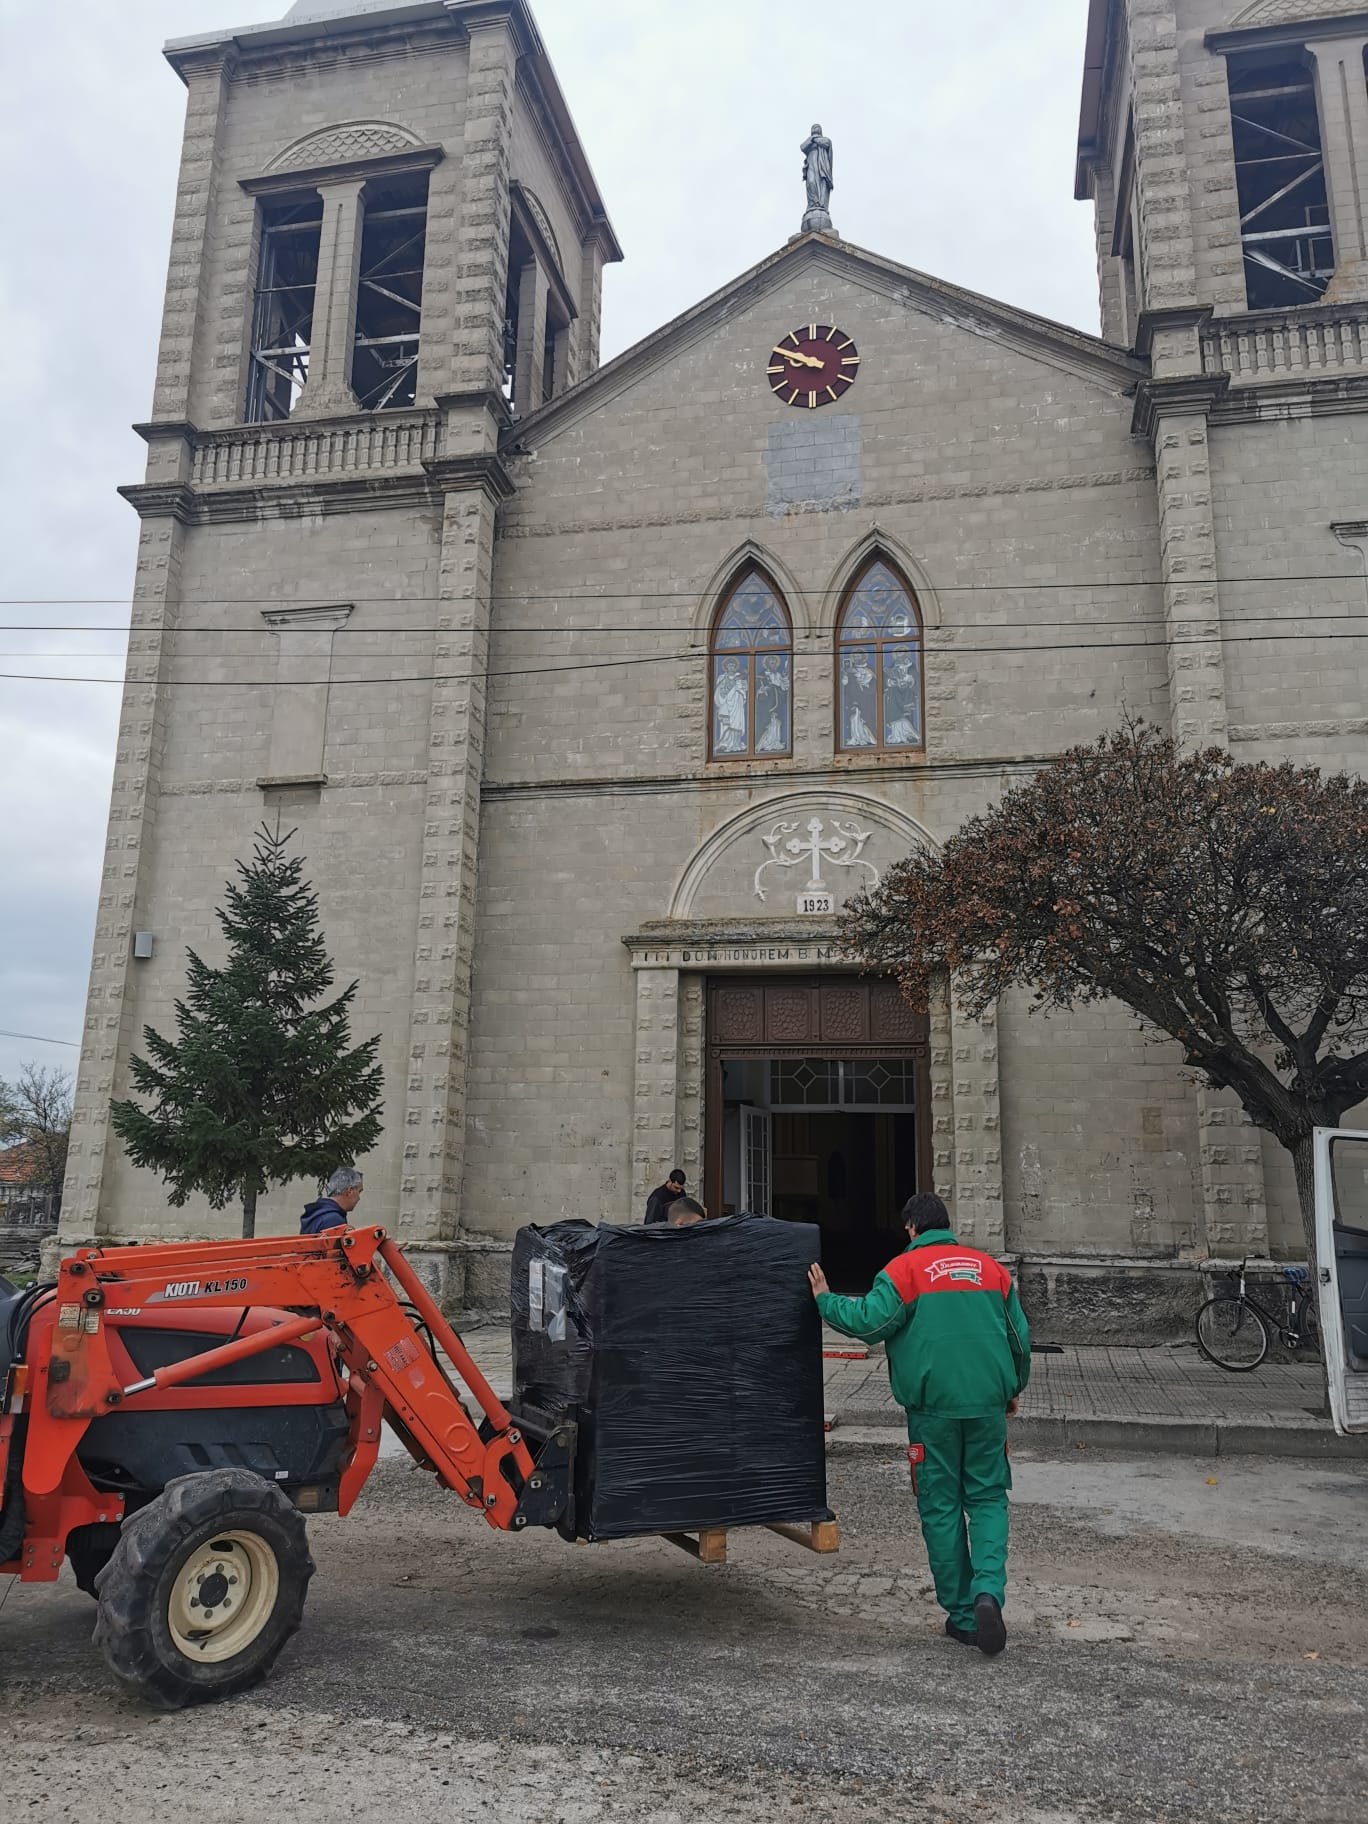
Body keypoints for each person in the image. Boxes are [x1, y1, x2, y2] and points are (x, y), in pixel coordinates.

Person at [808, 1191, 1030, 1657]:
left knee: (941, 1505)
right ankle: (988, 1592)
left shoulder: (904, 1270)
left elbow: (869, 1323)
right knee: (988, 1498)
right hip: (988, 1405)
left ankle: (965, 1617)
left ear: (911, 1228)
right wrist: (1012, 1387)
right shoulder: (991, 1270)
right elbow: (1019, 1339)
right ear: (947, 1226)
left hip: (932, 1412)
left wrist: (825, 1300)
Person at [300, 1166, 364, 1235]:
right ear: (349, 1191)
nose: (359, 1198)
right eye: (359, 1191)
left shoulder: (317, 1213)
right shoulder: (334, 1220)